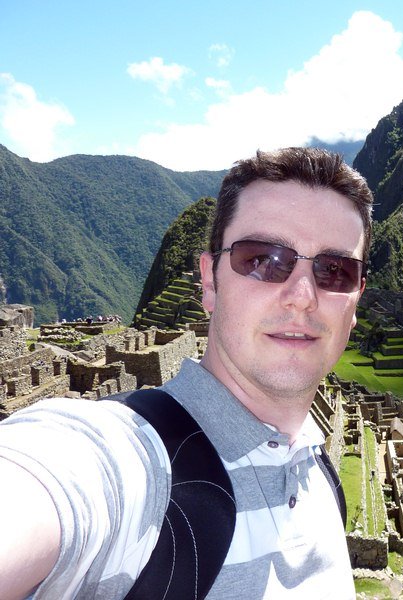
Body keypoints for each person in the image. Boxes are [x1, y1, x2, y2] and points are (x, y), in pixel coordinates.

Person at [0, 147, 373, 599]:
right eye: (262, 259)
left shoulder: (320, 474)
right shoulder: (127, 461)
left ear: (356, 298)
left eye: (335, 271)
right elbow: (41, 487)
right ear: (210, 281)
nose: (302, 295)